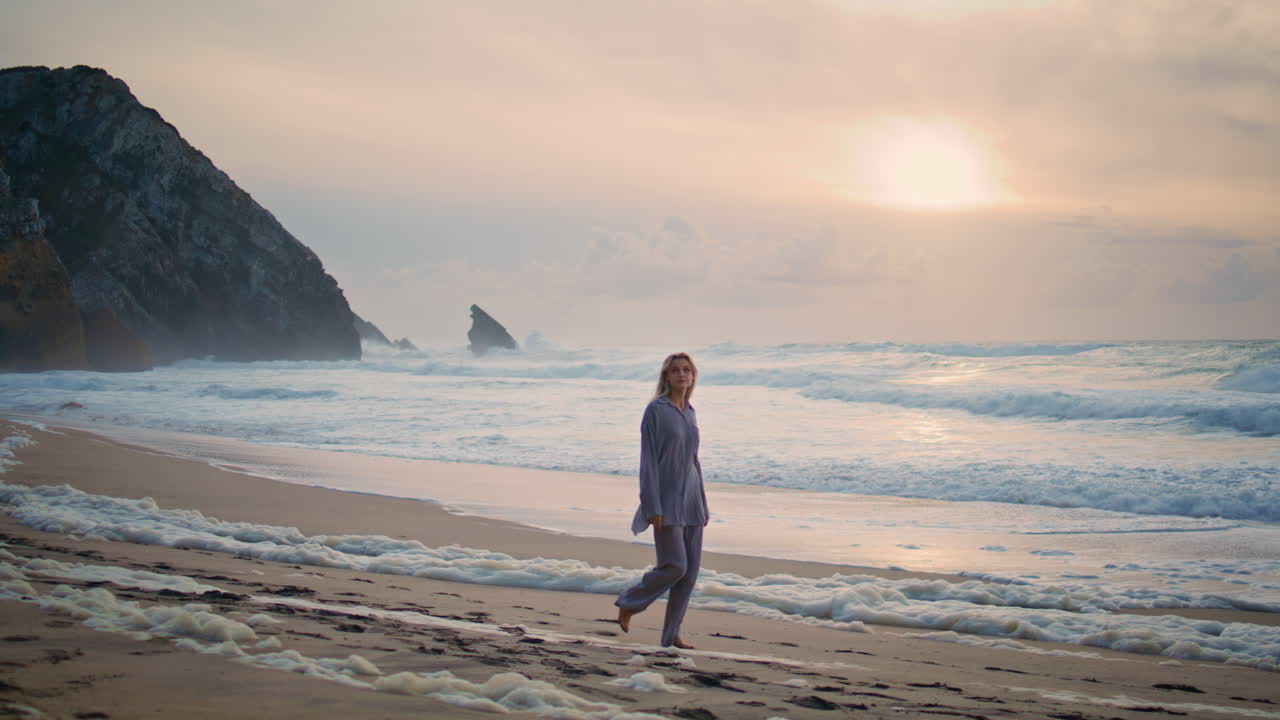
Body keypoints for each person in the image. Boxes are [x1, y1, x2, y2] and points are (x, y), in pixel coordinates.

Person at [614, 352, 709, 649]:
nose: (681, 375)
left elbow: (694, 461)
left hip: (692, 500)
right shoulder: (656, 410)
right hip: (665, 501)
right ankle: (630, 602)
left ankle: (670, 637)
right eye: (675, 371)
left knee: (689, 575)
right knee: (674, 566)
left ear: (693, 376)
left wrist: (704, 502)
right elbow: (648, 462)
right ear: (666, 377)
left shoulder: (690, 412)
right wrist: (651, 504)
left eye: (686, 370)